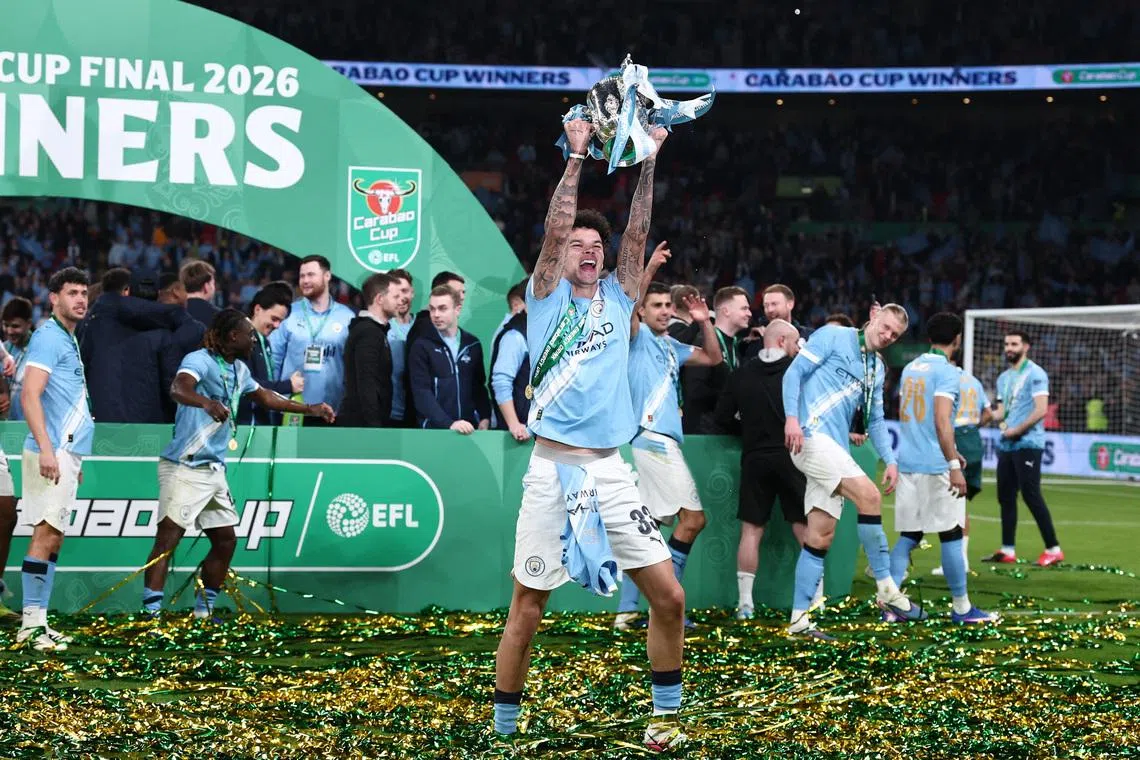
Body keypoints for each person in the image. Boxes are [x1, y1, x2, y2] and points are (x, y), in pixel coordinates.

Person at [493, 121, 686, 751]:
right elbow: (554, 229)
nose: (588, 250)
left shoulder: (620, 291)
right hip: (550, 470)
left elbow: (636, 231)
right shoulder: (545, 295)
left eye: (593, 246)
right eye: (578, 244)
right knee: (528, 607)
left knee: (670, 597)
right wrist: (576, 155)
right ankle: (505, 726)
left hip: (611, 470)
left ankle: (663, 718)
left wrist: (650, 160)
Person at [141, 309, 334, 620]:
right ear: (233, 337)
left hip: (213, 469)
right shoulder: (199, 360)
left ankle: (204, 613)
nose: (254, 342)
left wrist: (311, 408)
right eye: (250, 336)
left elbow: (268, 398)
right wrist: (206, 402)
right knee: (167, 541)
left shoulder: (239, 370)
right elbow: (178, 388)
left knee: (226, 540)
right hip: (185, 465)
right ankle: (150, 616)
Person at [782, 303, 926, 640]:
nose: (888, 336)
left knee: (820, 535)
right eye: (886, 326)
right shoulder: (833, 336)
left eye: (895, 334)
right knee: (870, 496)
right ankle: (888, 589)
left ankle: (799, 621)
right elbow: (794, 374)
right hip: (810, 438)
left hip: (835, 448)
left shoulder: (876, 367)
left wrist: (890, 460)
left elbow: (874, 420)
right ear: (874, 317)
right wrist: (791, 418)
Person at [614, 248, 723, 632]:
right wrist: (652, 268)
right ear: (642, 311)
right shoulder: (636, 336)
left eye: (666, 305)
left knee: (649, 530)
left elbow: (712, 358)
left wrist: (703, 320)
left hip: (656, 443)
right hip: (652, 441)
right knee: (693, 519)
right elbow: (626, 308)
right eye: (655, 305)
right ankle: (665, 607)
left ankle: (627, 612)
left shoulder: (670, 345)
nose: (663, 310)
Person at [887, 313, 997, 624]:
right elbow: (940, 419)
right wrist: (952, 463)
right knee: (951, 533)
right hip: (935, 465)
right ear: (958, 339)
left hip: (907, 460)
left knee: (908, 535)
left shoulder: (910, 368)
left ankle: (893, 604)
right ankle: (962, 608)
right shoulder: (947, 373)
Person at [17, 268, 93, 651]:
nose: (81, 299)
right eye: (72, 293)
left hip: (66, 450)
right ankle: (30, 625)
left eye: (84, 293)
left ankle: (40, 622)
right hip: (53, 449)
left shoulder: (67, 338)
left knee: (54, 536)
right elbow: (29, 396)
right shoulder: (49, 337)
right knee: (45, 533)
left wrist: (71, 454)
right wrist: (49, 449)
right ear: (53, 298)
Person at [713, 320, 809, 620]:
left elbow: (722, 418)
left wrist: (748, 429)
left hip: (754, 456)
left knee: (751, 531)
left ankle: (745, 604)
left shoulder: (741, 374)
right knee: (803, 527)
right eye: (794, 341)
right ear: (781, 340)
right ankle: (812, 598)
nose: (797, 347)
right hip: (791, 456)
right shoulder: (797, 372)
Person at [985, 331, 1063, 567]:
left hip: (1028, 442)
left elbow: (1041, 410)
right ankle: (1008, 549)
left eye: (1014, 344)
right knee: (1005, 496)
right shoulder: (1003, 378)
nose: (1009, 347)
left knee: (1031, 494)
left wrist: (1017, 429)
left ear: (1026, 347)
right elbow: (1000, 412)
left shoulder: (1036, 374)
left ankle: (1053, 548)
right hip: (1007, 443)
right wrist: (981, 414)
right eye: (1007, 343)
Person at [80, 267, 193, 422]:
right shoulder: (165, 332)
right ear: (158, 293)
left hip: (102, 423)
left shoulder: (96, 324)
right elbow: (171, 388)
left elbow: (81, 374)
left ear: (129, 291)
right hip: (149, 429)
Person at [269, 255, 355, 418]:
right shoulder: (288, 313)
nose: (305, 280)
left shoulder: (347, 317)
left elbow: (350, 367)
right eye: (302, 276)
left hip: (331, 411)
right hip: (291, 411)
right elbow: (274, 360)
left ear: (327, 276)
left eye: (311, 275)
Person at [931, 364, 993, 577]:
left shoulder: (942, 377)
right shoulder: (973, 380)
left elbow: (939, 415)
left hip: (954, 438)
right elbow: (988, 413)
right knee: (960, 504)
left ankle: (954, 562)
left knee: (944, 502)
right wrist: (974, 427)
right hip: (973, 440)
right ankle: (961, 560)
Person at [408, 285, 491, 433]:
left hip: (469, 429)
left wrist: (485, 416)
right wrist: (449, 424)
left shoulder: (472, 344)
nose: (436, 314)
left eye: (442, 308)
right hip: (434, 431)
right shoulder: (421, 346)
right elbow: (421, 393)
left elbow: (478, 386)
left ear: (457, 309)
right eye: (432, 309)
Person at [680, 286, 752, 434]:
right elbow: (695, 391)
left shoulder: (736, 345)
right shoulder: (705, 341)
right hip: (703, 432)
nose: (749, 314)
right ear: (726, 311)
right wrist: (731, 396)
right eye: (744, 309)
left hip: (721, 429)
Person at [403, 271, 466, 426]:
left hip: (461, 427)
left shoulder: (470, 342)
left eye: (463, 292)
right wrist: (447, 423)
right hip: (428, 428)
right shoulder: (422, 333)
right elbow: (420, 389)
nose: (462, 297)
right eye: (458, 292)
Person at [339, 273, 402, 427]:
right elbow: (367, 382)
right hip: (363, 427)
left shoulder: (374, 331)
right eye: (395, 297)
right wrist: (374, 427)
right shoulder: (369, 332)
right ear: (380, 299)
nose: (400, 301)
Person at [238, 283, 301, 426]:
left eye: (281, 321)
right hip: (245, 426)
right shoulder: (240, 339)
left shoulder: (263, 342)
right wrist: (287, 386)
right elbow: (247, 384)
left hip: (261, 422)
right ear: (258, 309)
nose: (277, 326)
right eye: (274, 319)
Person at [489, 279, 531, 442]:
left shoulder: (544, 331)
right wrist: (514, 424)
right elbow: (501, 381)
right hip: (517, 435)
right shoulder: (515, 336)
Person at [386, 269, 415, 427]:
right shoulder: (381, 328)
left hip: (418, 414)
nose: (401, 298)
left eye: (404, 291)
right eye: (395, 293)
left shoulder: (423, 327)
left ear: (412, 293)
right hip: (389, 414)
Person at [2, 297, 34, 421]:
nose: (9, 331)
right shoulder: (3, 349)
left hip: (30, 427)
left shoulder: (40, 351)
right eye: (6, 325)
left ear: (29, 324)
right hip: (6, 426)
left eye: (15, 326)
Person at [180, 260, 221, 325]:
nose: (214, 288)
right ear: (206, 286)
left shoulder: (171, 314)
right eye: (213, 283)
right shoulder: (220, 317)